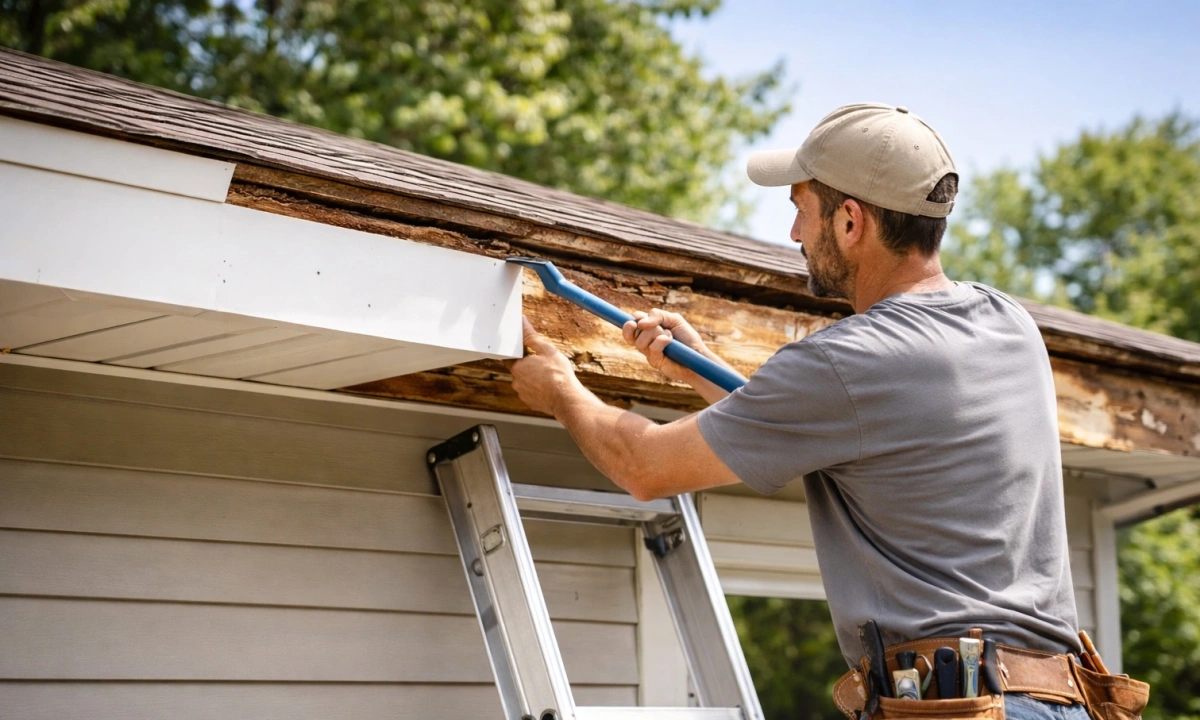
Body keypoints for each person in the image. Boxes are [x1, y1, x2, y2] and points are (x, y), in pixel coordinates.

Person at [509, 103, 1090, 720]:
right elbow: (863, 434)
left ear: (849, 222)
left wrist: (560, 390)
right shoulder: (1009, 324)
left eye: (799, 209)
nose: (793, 235)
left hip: (959, 707)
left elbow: (644, 466)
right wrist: (700, 367)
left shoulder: (848, 362)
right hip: (1061, 699)